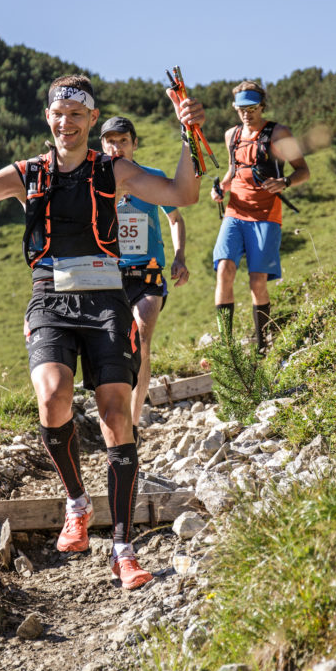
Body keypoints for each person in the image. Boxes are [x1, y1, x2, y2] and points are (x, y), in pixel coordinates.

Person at [0, 75, 204, 590]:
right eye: (59, 113)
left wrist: (188, 137)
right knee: (52, 399)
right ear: (47, 119)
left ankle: (122, 546)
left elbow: (184, 193)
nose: (67, 121)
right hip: (50, 296)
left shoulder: (113, 170)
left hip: (106, 299)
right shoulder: (29, 173)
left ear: (92, 121)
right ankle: (76, 500)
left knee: (117, 413)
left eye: (77, 113)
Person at [99, 116, 189, 440]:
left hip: (148, 273)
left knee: (142, 338)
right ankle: (115, 416)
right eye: (110, 141)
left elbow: (176, 219)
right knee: (113, 347)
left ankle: (133, 426)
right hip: (109, 276)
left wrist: (179, 256)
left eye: (123, 140)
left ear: (135, 144)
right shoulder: (94, 182)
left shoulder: (153, 179)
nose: (117, 146)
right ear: (102, 146)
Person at [211, 80, 310, 353]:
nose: (247, 113)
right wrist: (220, 189)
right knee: (224, 270)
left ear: (262, 106)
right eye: (241, 108)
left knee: (257, 282)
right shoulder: (231, 135)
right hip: (234, 212)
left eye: (252, 108)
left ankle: (263, 345)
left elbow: (304, 170)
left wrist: (285, 182)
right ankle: (226, 345)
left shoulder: (279, 133)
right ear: (235, 108)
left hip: (267, 216)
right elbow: (232, 173)